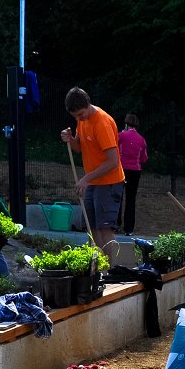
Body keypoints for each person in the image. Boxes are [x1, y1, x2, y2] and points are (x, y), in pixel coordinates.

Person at [60, 88, 125, 253]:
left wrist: (86, 179)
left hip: (109, 183)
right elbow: (79, 148)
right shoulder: (82, 120)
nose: (78, 119)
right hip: (93, 181)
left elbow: (113, 162)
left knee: (104, 229)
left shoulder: (102, 122)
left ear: (88, 104)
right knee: (92, 228)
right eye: (75, 116)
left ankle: (110, 272)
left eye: (80, 114)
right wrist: (70, 139)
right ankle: (97, 270)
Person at [118, 114, 148, 235]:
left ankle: (115, 224)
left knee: (118, 197)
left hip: (121, 169)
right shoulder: (141, 139)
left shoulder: (121, 135)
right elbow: (144, 159)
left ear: (126, 124)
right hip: (135, 171)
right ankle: (129, 229)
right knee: (131, 199)